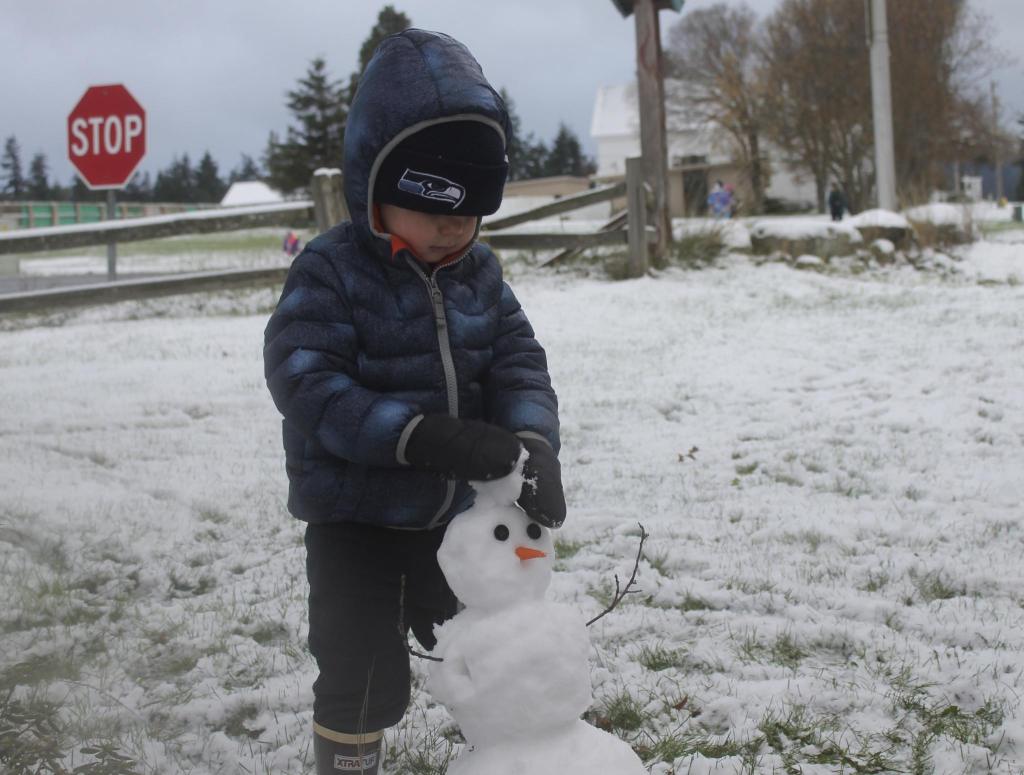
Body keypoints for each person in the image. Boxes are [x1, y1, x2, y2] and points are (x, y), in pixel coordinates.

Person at [263, 29, 565, 775]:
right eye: (433, 203)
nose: (453, 225)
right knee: (363, 672)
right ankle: (348, 760)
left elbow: (519, 363)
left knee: (491, 650)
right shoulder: (329, 272)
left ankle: (510, 753)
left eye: (469, 208)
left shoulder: (481, 276)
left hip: (455, 520)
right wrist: (425, 436)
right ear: (377, 185)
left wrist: (534, 444)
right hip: (355, 522)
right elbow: (306, 380)